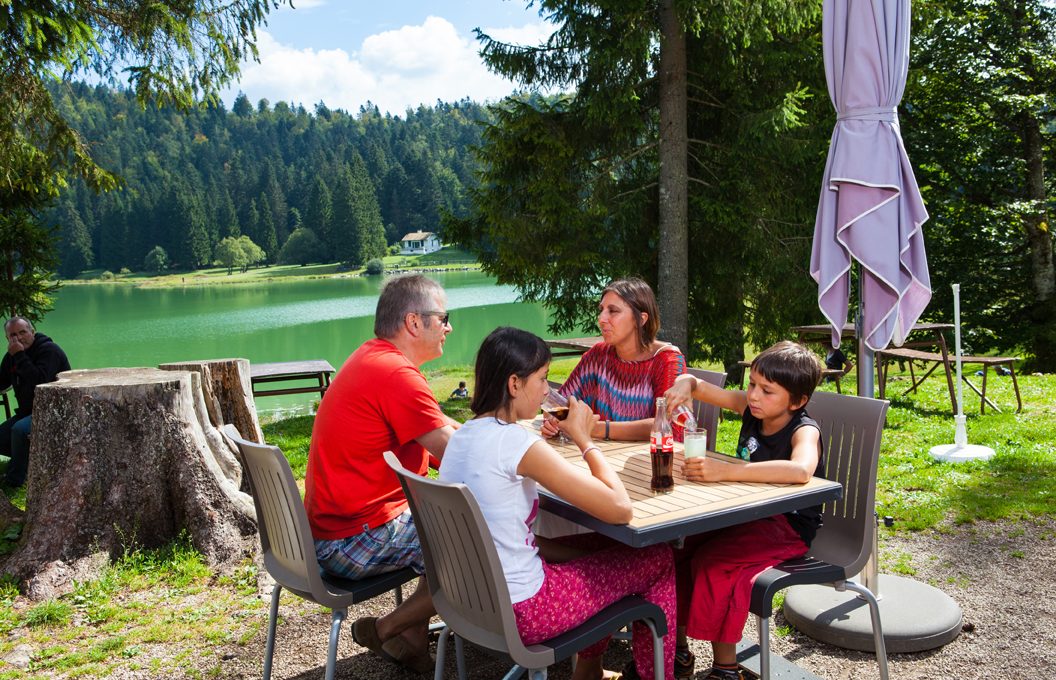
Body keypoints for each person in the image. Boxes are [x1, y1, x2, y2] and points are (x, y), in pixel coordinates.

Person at [440, 327, 676, 680]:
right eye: (542, 378)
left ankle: (590, 671)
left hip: (472, 603)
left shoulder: (463, 436)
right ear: (514, 384)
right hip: (527, 610)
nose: (547, 391)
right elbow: (619, 508)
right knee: (658, 556)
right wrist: (583, 437)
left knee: (608, 546)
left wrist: (574, 553)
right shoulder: (515, 443)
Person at [304, 273, 460, 675]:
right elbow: (459, 455)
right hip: (350, 540)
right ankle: (386, 628)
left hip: (334, 531)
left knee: (443, 524)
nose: (448, 327)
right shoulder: (396, 375)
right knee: (473, 542)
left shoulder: (374, 358)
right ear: (414, 322)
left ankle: (411, 642)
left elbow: (444, 431)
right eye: (443, 318)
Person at [662, 341, 824, 680]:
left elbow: (800, 470)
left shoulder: (804, 430)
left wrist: (727, 470)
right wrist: (685, 382)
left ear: (797, 401)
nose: (753, 396)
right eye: (751, 384)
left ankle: (725, 669)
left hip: (787, 526)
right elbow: (699, 387)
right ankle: (677, 650)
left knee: (716, 563)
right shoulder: (752, 408)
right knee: (676, 551)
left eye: (767, 390)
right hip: (745, 514)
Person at [543, 277, 685, 443]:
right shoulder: (598, 356)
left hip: (649, 457)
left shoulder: (667, 361)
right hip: (601, 453)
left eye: (613, 311)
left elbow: (668, 425)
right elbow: (558, 403)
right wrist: (555, 421)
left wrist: (595, 428)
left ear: (641, 319)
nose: (601, 318)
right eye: (601, 310)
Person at [0, 317, 71, 488]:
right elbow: (2, 382)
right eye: (13, 335)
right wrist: (17, 355)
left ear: (32, 332)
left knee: (19, 430)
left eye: (22, 332)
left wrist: (19, 355)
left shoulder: (49, 350)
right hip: (28, 412)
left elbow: (39, 383)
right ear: (7, 338)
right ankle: (32, 462)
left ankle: (15, 481)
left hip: (56, 412)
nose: (18, 338)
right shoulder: (11, 356)